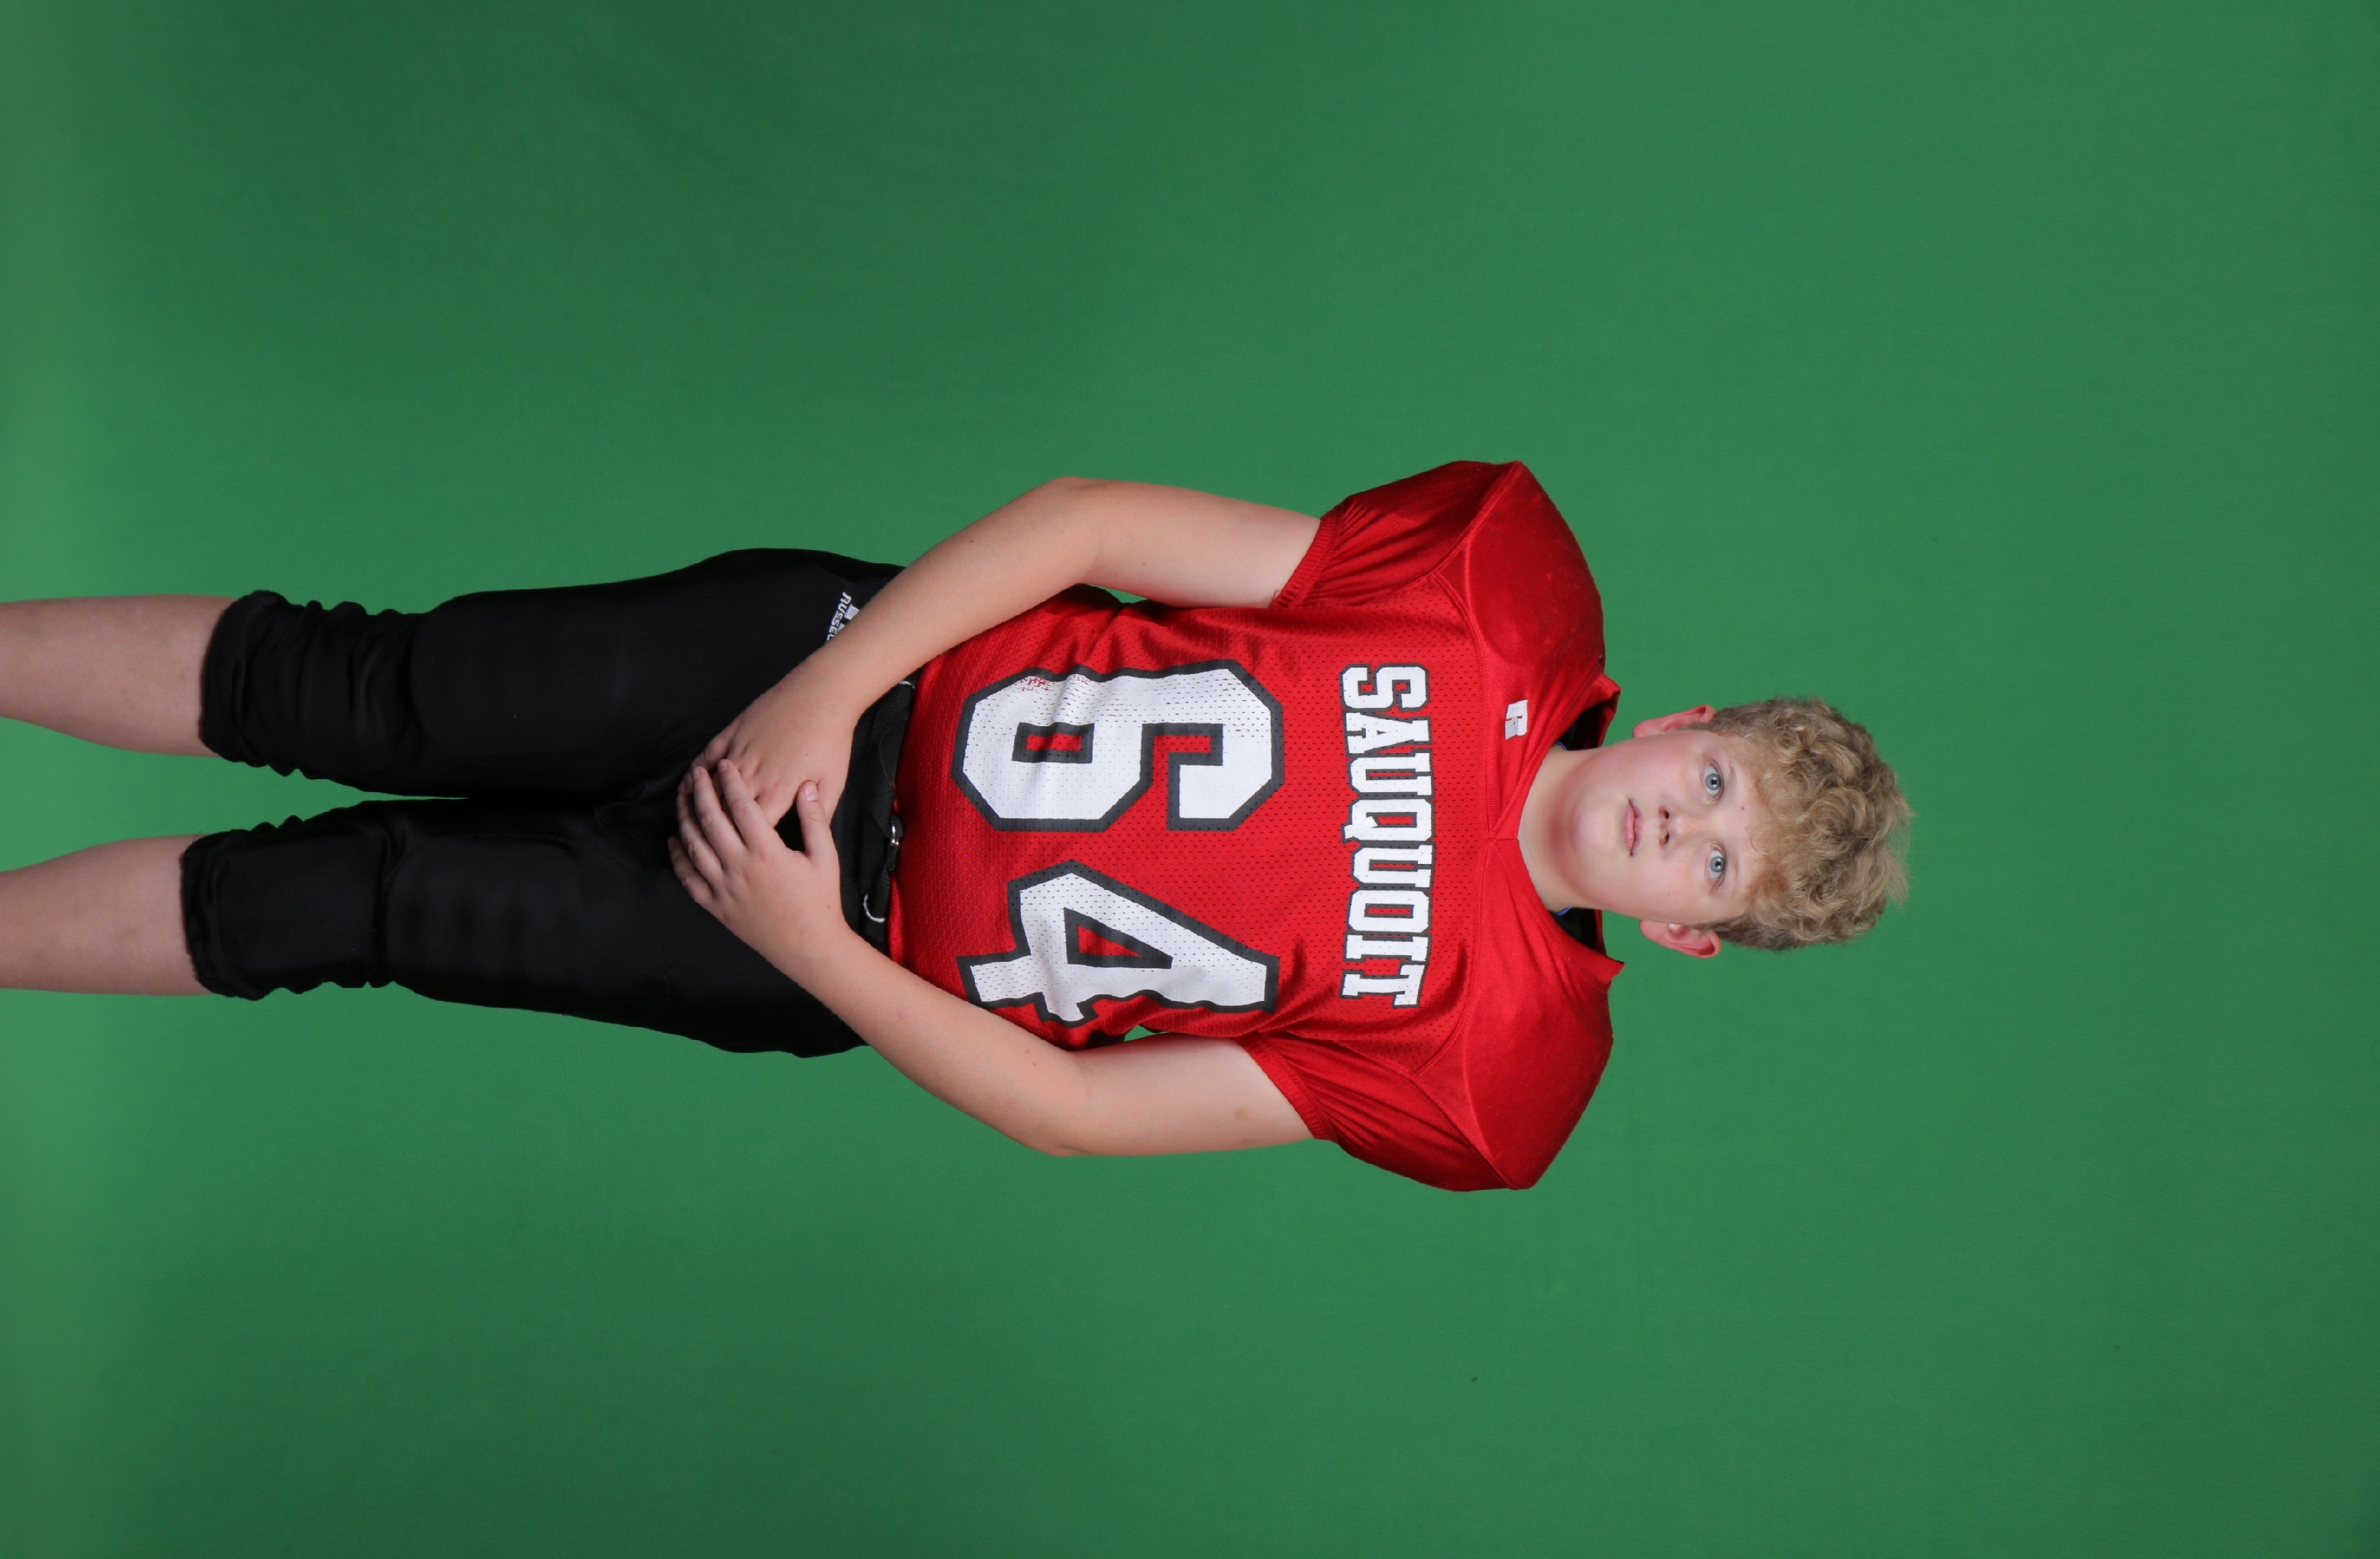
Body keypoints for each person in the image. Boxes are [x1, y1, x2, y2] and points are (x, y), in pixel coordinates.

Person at [0, 461, 1908, 1190]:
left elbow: (1084, 1116)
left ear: (1689, 934)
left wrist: (802, 946)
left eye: (1712, 867)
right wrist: (828, 690)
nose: (1675, 825)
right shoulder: (1491, 589)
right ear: (1689, 722)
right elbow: (1092, 524)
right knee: (363, 687)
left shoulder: (1494, 1064)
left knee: (356, 907)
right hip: (852, 675)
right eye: (1714, 783)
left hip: (833, 938)